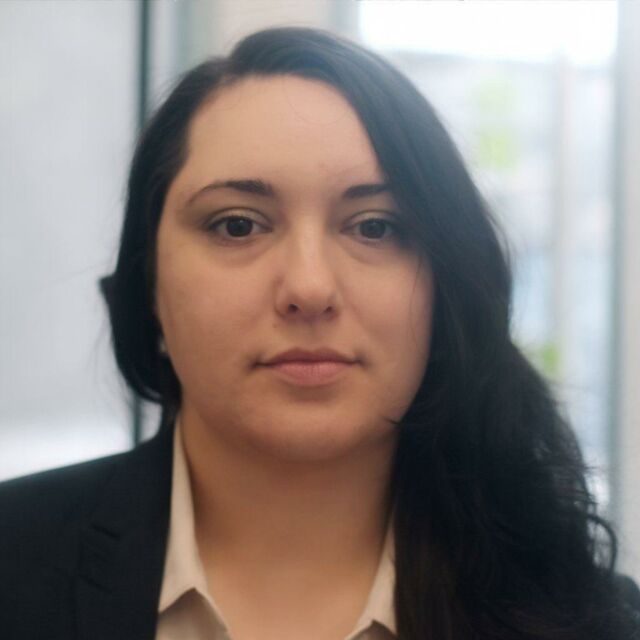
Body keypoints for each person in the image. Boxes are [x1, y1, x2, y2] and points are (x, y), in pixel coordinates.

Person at [1, 26, 638, 640]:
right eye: (238, 225)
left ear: (445, 288)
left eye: (375, 227)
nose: (309, 288)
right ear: (149, 285)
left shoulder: (594, 620)